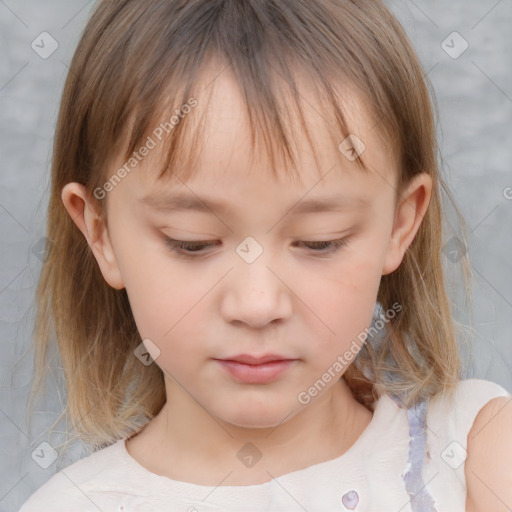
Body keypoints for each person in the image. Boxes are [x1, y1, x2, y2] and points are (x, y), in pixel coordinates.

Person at [19, 0, 511, 511]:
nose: (257, 305)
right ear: (100, 233)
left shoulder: (474, 455)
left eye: (321, 240)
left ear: (400, 224)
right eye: (192, 241)